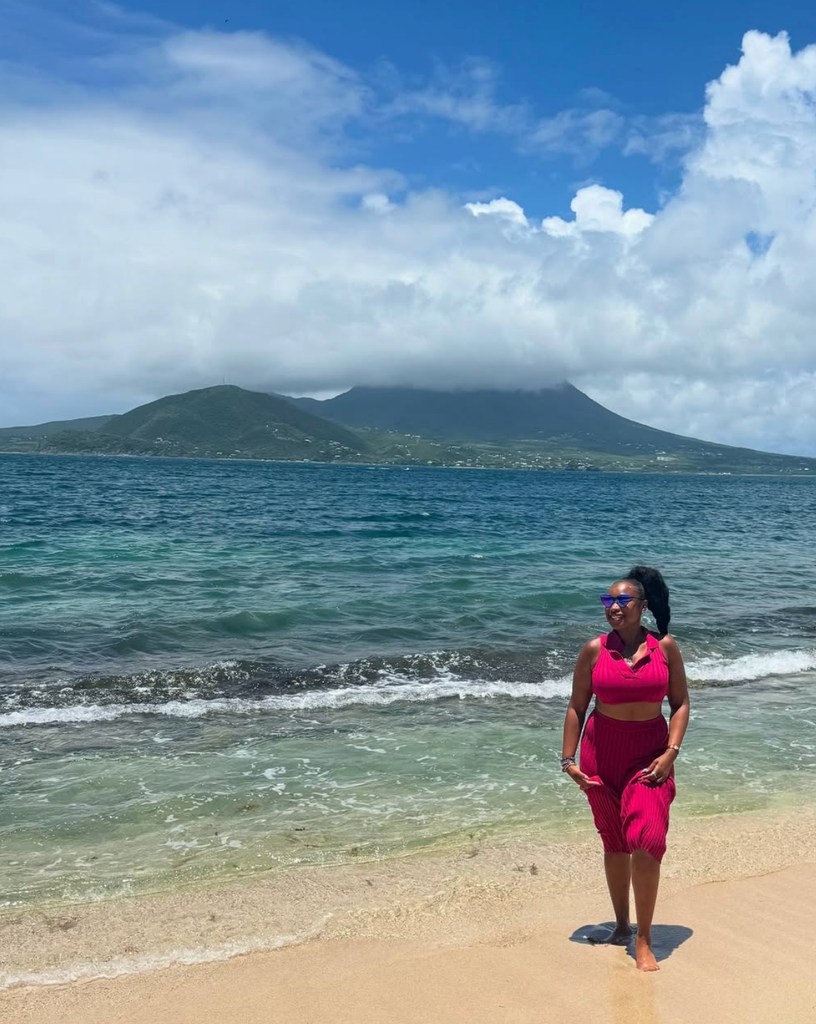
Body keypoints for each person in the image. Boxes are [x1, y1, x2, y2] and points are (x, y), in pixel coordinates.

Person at [560, 565, 690, 971]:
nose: (613, 607)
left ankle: (645, 939)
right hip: (601, 754)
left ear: (643, 605)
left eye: (622, 600)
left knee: (646, 839)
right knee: (614, 842)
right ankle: (620, 927)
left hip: (650, 755)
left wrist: (671, 752)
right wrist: (568, 761)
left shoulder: (665, 647)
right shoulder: (594, 650)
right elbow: (576, 707)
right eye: (608, 600)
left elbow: (681, 704)